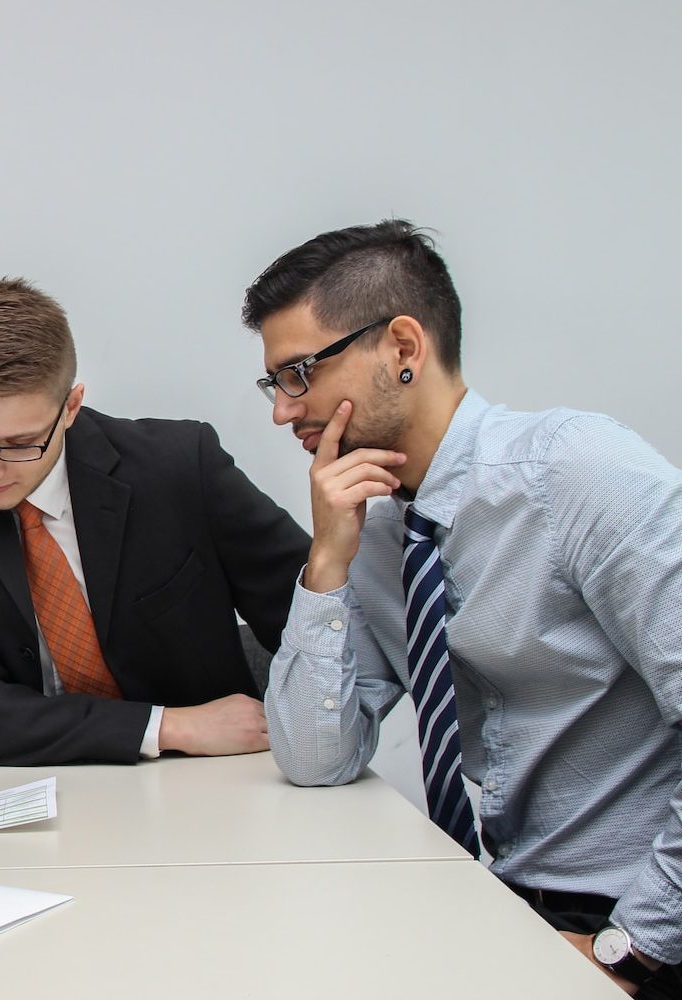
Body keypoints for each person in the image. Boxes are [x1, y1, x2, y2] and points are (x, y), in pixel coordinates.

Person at [244, 220, 682, 996]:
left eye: (301, 373)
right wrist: (327, 564)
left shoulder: (577, 473)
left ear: (404, 350)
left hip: (640, 923)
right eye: (275, 382)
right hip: (510, 905)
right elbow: (315, 760)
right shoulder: (376, 531)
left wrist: (630, 947)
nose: (284, 411)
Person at [0, 278, 309, 766]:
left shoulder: (180, 468)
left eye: (19, 445)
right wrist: (170, 725)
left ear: (71, 407)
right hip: (15, 786)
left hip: (207, 781)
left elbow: (317, 629)